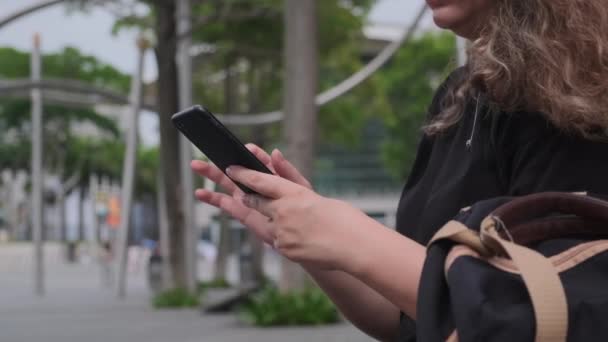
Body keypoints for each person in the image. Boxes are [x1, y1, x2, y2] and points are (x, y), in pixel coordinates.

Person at [190, 0, 608, 341]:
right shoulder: (459, 96)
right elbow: (404, 319)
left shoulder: (582, 98)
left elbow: (536, 314)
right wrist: (316, 240)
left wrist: (351, 234)